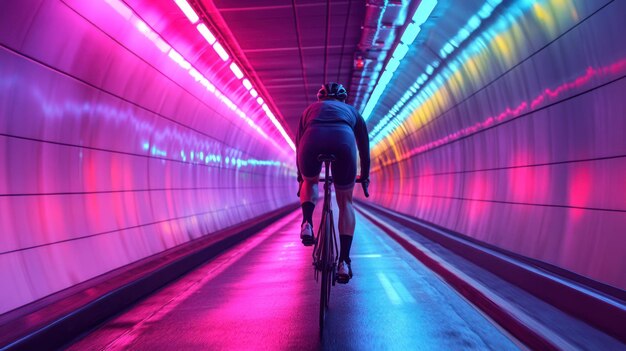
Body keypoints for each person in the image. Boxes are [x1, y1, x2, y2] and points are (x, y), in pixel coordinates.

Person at [296, 82, 370, 284]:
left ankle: (307, 223)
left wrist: (300, 176)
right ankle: (344, 261)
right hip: (343, 142)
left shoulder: (309, 110)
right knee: (345, 202)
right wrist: (365, 176)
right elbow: (364, 148)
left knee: (310, 181)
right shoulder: (352, 112)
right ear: (343, 99)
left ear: (320, 98)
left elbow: (298, 144)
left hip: (311, 141)